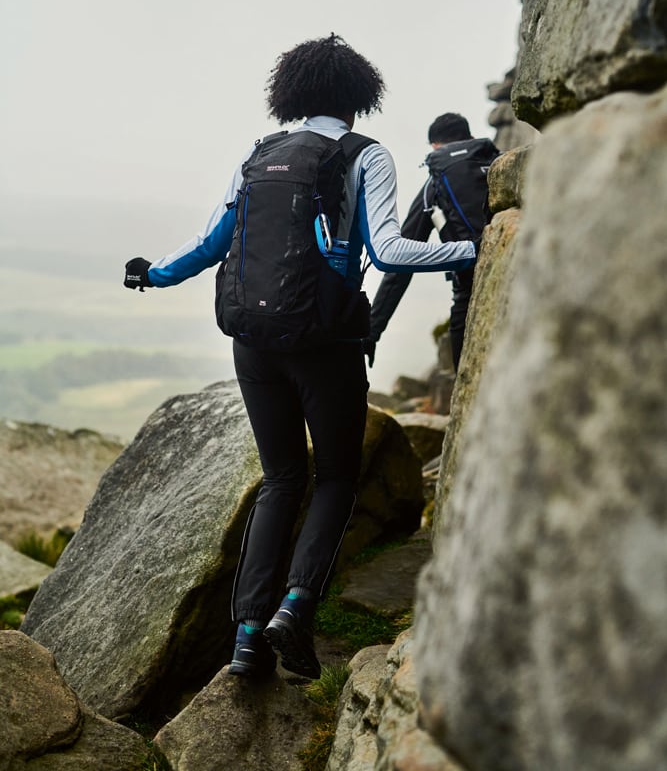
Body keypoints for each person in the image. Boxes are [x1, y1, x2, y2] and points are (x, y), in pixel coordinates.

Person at [123, 36, 477, 681]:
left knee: (282, 479)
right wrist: (472, 252)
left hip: (252, 344)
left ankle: (247, 642)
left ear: (290, 93)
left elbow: (208, 245)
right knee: (336, 477)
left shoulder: (258, 155)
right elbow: (391, 251)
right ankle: (296, 607)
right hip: (326, 344)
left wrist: (153, 274)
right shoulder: (365, 155)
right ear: (358, 97)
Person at [367, 112, 500, 372]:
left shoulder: (435, 185)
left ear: (435, 147)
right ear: (471, 137)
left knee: (470, 380)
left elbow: (401, 265)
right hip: (526, 275)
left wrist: (372, 330)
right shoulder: (500, 161)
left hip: (471, 290)